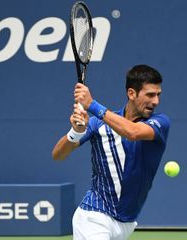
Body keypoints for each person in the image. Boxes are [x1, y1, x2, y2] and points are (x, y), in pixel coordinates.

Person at [52, 64, 170, 240]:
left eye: (158, 95)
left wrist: (92, 105)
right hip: (94, 215)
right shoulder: (97, 125)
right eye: (150, 95)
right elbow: (58, 155)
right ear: (132, 93)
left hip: (127, 222)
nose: (156, 101)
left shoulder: (160, 122)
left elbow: (132, 132)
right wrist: (75, 132)